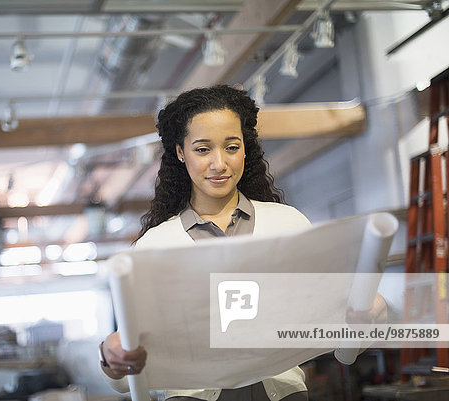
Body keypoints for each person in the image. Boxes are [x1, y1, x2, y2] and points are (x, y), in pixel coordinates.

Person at [98, 85, 386, 400]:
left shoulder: (288, 225)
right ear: (180, 152)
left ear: (245, 149)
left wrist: (369, 312)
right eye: (203, 149)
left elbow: (343, 332)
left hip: (281, 392)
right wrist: (112, 358)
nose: (219, 163)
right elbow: (124, 378)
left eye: (232, 147)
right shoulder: (155, 246)